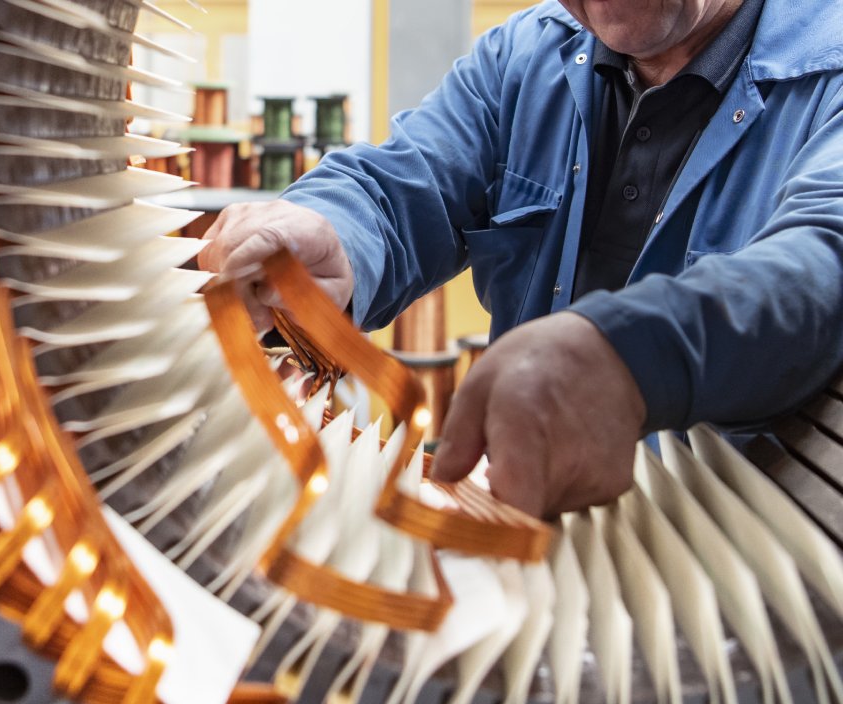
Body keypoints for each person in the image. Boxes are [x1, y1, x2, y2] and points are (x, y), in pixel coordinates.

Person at [197, 0, 843, 519]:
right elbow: (405, 180)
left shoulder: (829, 68)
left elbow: (821, 263)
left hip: (736, 573)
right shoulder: (527, 55)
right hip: (529, 535)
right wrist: (331, 230)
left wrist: (635, 355)